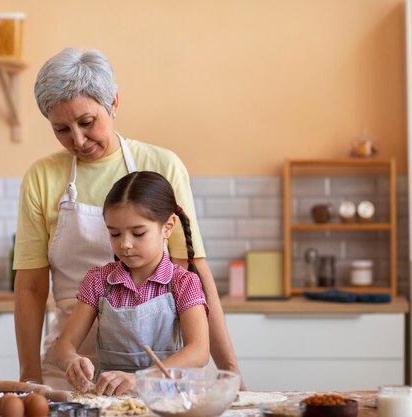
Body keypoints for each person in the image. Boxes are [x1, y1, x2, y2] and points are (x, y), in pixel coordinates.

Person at [13, 47, 244, 390]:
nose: (77, 140)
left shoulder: (163, 166)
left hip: (160, 369)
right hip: (73, 371)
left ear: (114, 103)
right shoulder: (41, 177)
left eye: (87, 123)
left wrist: (232, 373)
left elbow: (191, 271)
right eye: (61, 129)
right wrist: (29, 377)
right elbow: (31, 288)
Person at [48, 171, 210, 395]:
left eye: (138, 233)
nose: (125, 244)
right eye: (115, 234)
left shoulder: (183, 282)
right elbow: (62, 346)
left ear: (168, 226)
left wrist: (141, 379)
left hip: (170, 400)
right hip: (111, 402)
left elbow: (199, 351)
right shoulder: (97, 281)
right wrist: (71, 360)